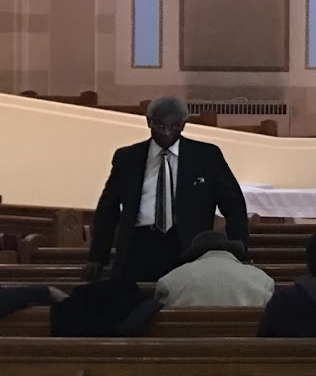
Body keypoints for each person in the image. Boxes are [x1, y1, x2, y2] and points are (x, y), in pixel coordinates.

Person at [84, 96, 249, 283]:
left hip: (188, 246)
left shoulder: (206, 156)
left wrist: (240, 251)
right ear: (149, 122)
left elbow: (234, 205)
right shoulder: (128, 158)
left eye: (174, 127)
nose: (167, 133)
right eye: (160, 126)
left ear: (184, 125)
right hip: (138, 245)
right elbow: (108, 208)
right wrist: (98, 256)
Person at [155, 230, 275, 309]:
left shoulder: (171, 279)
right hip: (247, 347)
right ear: (230, 250)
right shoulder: (262, 279)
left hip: (188, 346)